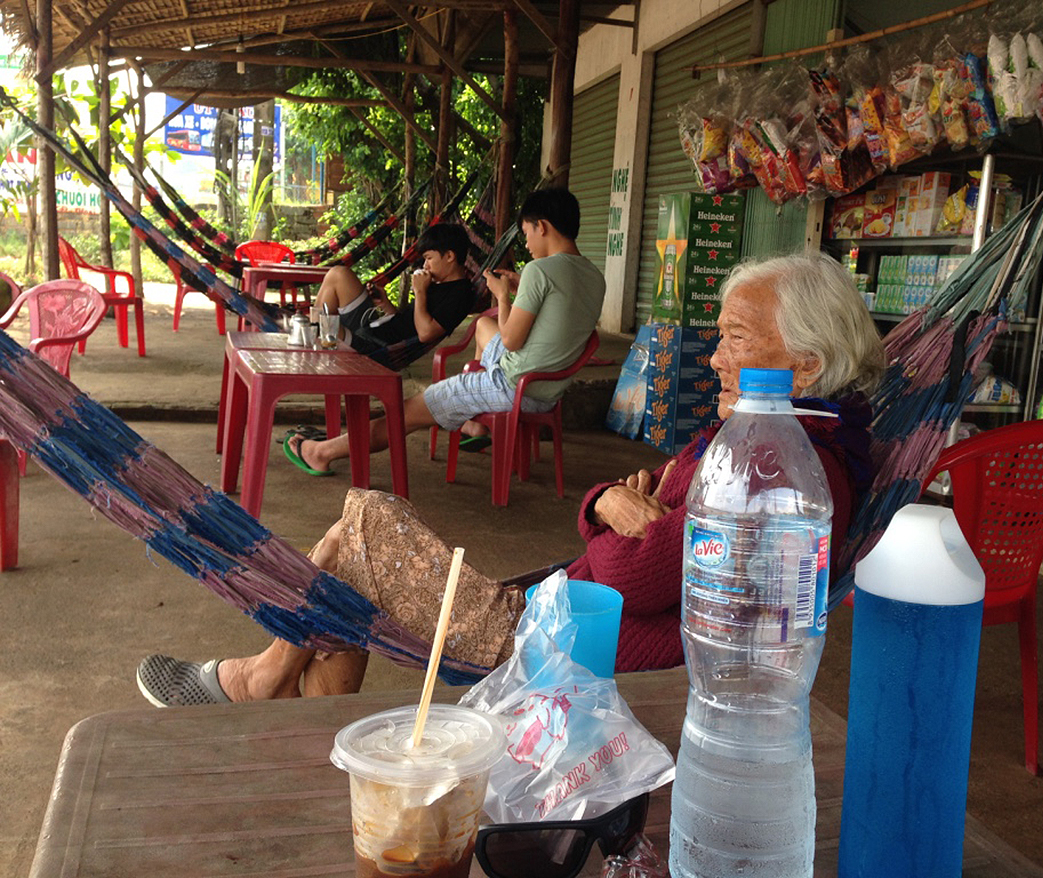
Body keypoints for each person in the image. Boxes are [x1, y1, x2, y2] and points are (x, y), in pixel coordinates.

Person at [136, 251, 886, 706]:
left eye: (734, 339)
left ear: (808, 364)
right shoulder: (770, 442)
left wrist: (620, 514)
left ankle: (255, 684)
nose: (716, 359)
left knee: (366, 523)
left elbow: (632, 572)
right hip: (559, 608)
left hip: (560, 643)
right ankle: (270, 692)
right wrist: (608, 501)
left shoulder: (773, 471)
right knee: (351, 568)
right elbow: (617, 506)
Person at [284, 187, 607, 476]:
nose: (525, 242)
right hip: (545, 392)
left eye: (526, 233)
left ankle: (320, 452)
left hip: (510, 385)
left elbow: (510, 340)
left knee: (405, 410)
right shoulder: (595, 277)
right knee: (483, 326)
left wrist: (503, 295)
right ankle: (474, 424)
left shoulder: (539, 271)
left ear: (543, 227)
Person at [313, 222, 477, 357]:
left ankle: (308, 335)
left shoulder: (461, 293)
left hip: (372, 347)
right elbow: (405, 323)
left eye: (429, 258)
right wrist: (385, 304)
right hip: (372, 330)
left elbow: (425, 334)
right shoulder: (438, 284)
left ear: (449, 256)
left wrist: (420, 292)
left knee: (325, 325)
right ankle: (310, 332)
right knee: (339, 275)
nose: (425, 265)